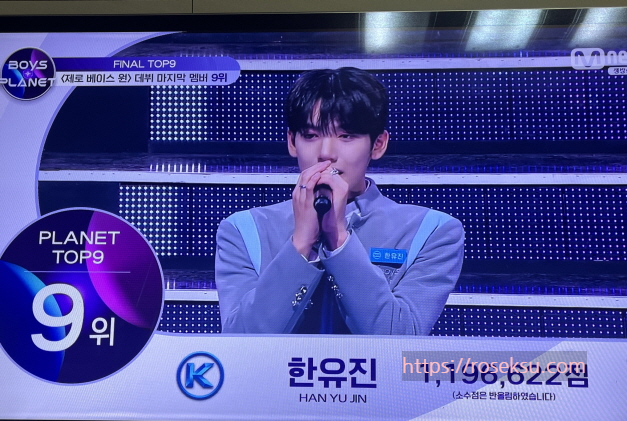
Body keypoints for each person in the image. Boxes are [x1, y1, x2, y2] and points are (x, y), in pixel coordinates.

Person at [215, 67, 464, 335]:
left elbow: (400, 337)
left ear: (378, 144)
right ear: (292, 142)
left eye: (346, 136)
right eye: (311, 135)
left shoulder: (432, 231)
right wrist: (300, 243)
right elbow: (238, 342)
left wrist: (340, 240)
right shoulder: (243, 230)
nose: (326, 153)